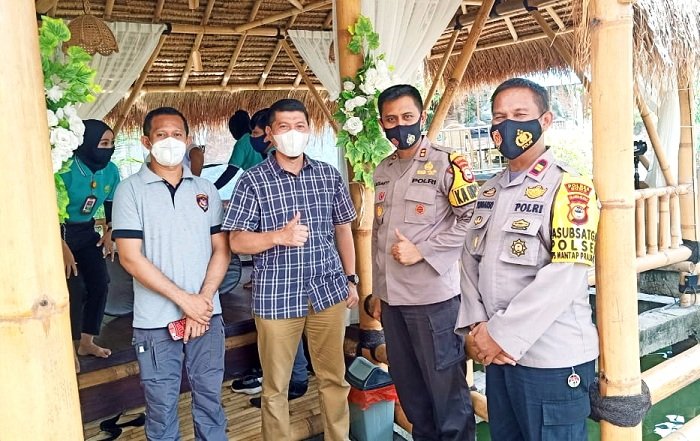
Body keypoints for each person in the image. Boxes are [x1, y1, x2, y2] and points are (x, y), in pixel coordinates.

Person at [456, 77, 600, 441]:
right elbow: (469, 261)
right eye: (499, 117)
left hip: (551, 360)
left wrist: (501, 335)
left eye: (520, 115)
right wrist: (479, 328)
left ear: (545, 120)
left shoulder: (569, 187)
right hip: (497, 356)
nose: (508, 125)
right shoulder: (489, 190)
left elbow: (565, 274)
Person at [223, 98, 358, 441]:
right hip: (277, 298)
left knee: (333, 378)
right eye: (284, 127)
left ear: (309, 130)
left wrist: (351, 279)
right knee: (275, 387)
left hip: (328, 291)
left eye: (299, 126)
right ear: (270, 133)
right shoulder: (252, 181)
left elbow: (343, 228)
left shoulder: (328, 174)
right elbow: (236, 241)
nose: (293, 133)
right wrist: (277, 237)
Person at [112, 106, 229, 440]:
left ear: (188, 139)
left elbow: (222, 250)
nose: (170, 141)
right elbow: (130, 258)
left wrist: (202, 301)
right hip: (155, 321)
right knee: (161, 408)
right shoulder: (130, 190)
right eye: (161, 135)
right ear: (146, 141)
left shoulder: (205, 189)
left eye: (177, 134)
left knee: (210, 400)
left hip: (207, 315)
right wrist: (185, 301)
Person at [368, 84, 478, 441]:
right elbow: (379, 235)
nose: (400, 126)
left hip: (434, 303)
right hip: (393, 304)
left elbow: (473, 219)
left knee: (448, 399)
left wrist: (424, 251)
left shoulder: (447, 163)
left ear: (422, 117)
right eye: (391, 120)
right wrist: (378, 292)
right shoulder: (383, 170)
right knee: (412, 396)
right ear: (382, 124)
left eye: (407, 117)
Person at [227, 107, 311, 406]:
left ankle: (295, 379)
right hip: (275, 275)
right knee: (281, 334)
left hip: (300, 273)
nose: (257, 138)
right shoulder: (258, 174)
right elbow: (240, 239)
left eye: (258, 133)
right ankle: (287, 378)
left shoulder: (305, 171)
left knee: (289, 330)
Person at [60, 119, 120, 372]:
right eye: (103, 143)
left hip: (86, 232)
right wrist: (60, 245)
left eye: (111, 144)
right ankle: (69, 349)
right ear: (86, 143)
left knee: (100, 283)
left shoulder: (111, 171)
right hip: (59, 231)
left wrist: (111, 230)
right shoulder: (64, 169)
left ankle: (86, 342)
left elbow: (112, 204)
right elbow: (47, 209)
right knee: (74, 288)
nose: (108, 149)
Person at [213, 109, 263, 190]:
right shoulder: (258, 137)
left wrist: (212, 188)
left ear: (235, 129)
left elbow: (230, 172)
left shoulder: (242, 142)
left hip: (260, 183)